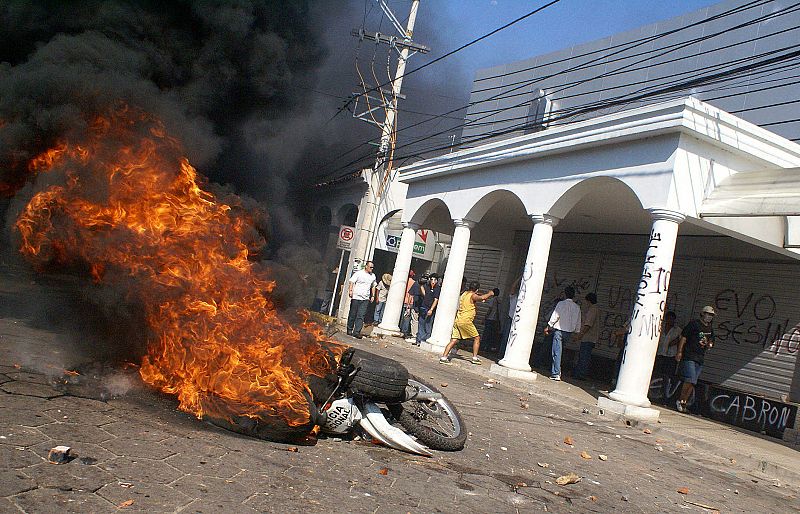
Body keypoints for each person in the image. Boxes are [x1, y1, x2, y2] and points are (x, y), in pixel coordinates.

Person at [439, 281, 495, 365]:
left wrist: (478, 296)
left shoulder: (464, 294)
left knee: (454, 340)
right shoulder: (473, 295)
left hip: (458, 320)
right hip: (466, 321)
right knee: (477, 338)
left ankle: (444, 357)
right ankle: (475, 358)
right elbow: (481, 298)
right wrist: (490, 293)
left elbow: (474, 298)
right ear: (476, 289)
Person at [675, 305, 716, 413]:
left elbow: (711, 340)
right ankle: (680, 400)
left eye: (711, 315)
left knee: (693, 382)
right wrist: (679, 351)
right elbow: (684, 337)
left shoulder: (710, 328)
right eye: (708, 314)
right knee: (689, 379)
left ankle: (684, 401)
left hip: (700, 357)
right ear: (702, 314)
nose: (709, 317)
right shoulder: (694, 324)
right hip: (689, 355)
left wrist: (709, 344)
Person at [543, 286, 581, 381]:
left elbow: (555, 316)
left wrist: (548, 326)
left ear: (565, 294)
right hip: (568, 333)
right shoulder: (577, 307)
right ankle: (557, 370)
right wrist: (577, 332)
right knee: (560, 351)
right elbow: (578, 321)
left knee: (556, 352)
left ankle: (556, 373)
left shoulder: (561, 304)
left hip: (559, 331)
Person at [655, 311, 681, 402]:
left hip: (670, 356)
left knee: (668, 376)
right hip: (659, 353)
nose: (670, 320)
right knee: (657, 373)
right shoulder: (660, 328)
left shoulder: (677, 330)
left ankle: (665, 396)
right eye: (668, 318)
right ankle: (655, 392)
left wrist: (676, 342)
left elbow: (681, 340)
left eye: (672, 319)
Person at [571, 292, 599, 380]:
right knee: (584, 356)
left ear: (588, 301)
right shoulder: (595, 309)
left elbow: (588, 324)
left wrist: (580, 335)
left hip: (588, 338)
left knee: (584, 356)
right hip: (589, 337)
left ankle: (580, 374)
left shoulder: (593, 310)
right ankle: (579, 373)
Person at [347, 261, 376, 339]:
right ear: (366, 266)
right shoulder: (359, 273)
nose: (372, 269)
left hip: (365, 298)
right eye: (370, 267)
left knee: (361, 315)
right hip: (356, 297)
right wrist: (350, 291)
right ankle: (349, 329)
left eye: (372, 267)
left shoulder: (373, 276)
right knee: (353, 314)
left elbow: (373, 286)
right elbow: (351, 282)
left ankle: (357, 332)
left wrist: (373, 295)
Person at [416, 273, 440, 346]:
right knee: (421, 324)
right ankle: (419, 340)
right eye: (431, 279)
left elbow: (436, 300)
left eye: (435, 280)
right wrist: (421, 285)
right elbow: (425, 295)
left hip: (429, 309)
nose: (433, 281)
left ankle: (424, 340)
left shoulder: (437, 288)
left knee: (428, 326)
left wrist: (431, 309)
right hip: (423, 307)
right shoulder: (427, 286)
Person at [400, 270, 419, 341]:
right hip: (410, 302)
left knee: (402, 316)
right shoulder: (414, 283)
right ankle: (405, 331)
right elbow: (412, 294)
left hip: (403, 300)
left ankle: (401, 328)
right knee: (407, 317)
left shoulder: (404, 281)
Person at [482, 288, 502, 353]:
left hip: (490, 318)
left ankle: (483, 346)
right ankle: (488, 347)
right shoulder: (499, 300)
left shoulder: (492, 300)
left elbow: (490, 310)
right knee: (491, 334)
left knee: (486, 333)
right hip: (495, 319)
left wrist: (485, 317)